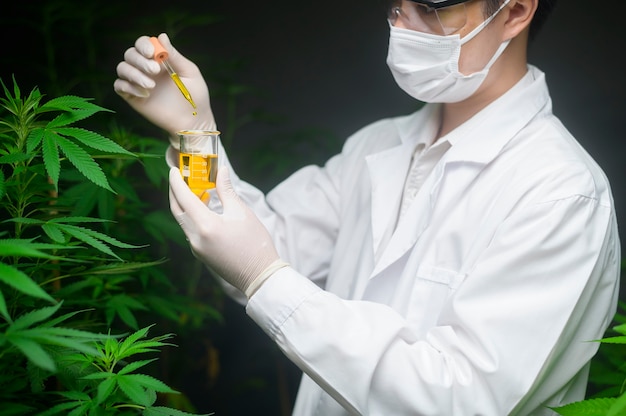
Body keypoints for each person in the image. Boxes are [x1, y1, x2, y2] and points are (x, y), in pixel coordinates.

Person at [114, 0, 621, 414]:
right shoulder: (376, 147)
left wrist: (265, 278)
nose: (404, 26)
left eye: (431, 7)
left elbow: (461, 399)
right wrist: (196, 139)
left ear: (514, 11)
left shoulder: (559, 191)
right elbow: (245, 243)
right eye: (396, 6)